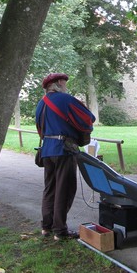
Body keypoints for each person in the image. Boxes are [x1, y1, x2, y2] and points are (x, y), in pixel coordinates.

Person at [35, 72, 96, 241]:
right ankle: (60, 230)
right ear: (59, 83)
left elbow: (39, 129)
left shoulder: (41, 104)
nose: (65, 85)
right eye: (64, 82)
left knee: (50, 189)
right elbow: (89, 118)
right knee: (65, 190)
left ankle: (46, 227)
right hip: (64, 150)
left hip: (47, 150)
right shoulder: (66, 99)